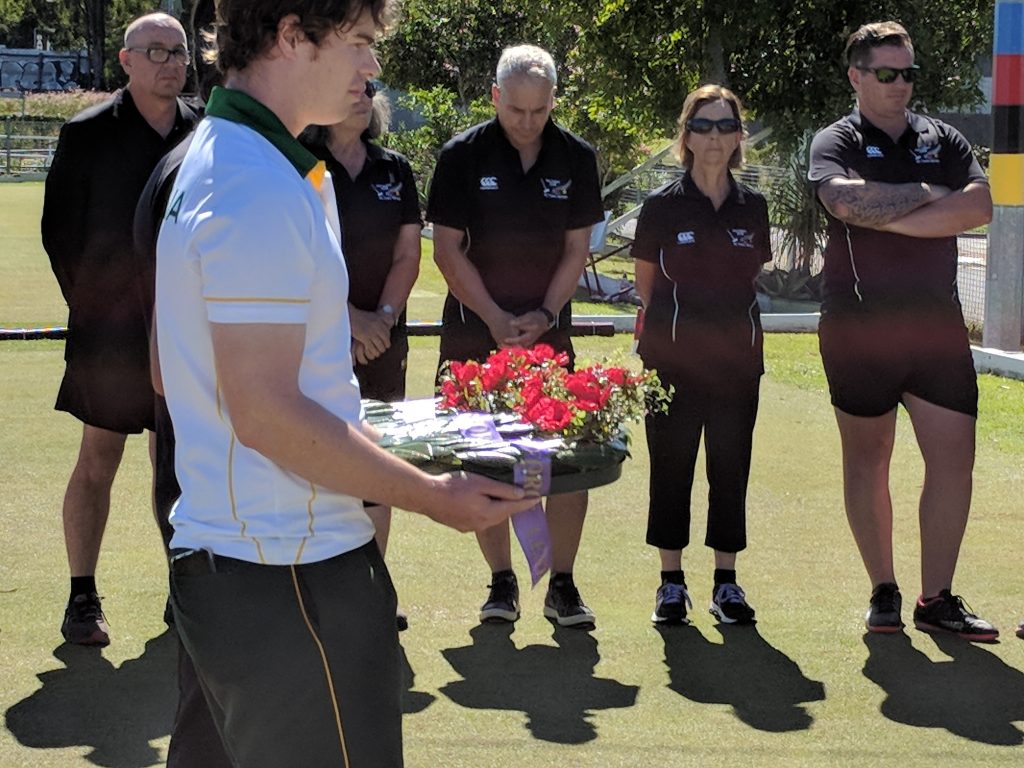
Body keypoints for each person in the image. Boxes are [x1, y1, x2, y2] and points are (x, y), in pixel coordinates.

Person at [155, 1, 534, 764]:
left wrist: (416, 444)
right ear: (293, 35)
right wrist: (433, 498)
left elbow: (178, 374)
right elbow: (264, 412)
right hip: (284, 576)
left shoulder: (249, 160)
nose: (372, 66)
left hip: (252, 565)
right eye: (359, 43)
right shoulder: (252, 181)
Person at [808, 21, 998, 640]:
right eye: (886, 73)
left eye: (908, 73)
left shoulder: (942, 137)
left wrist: (884, 213)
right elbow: (842, 203)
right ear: (857, 76)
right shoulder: (834, 140)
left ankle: (936, 598)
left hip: (937, 332)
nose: (900, 85)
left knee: (954, 463)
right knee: (869, 460)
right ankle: (883, 590)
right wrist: (924, 195)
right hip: (857, 330)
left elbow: (977, 207)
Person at [427, 44, 604, 629]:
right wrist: (495, 319)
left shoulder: (577, 156)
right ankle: (502, 581)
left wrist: (546, 315)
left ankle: (563, 584)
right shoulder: (460, 155)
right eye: (517, 110)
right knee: (485, 459)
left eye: (540, 111)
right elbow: (447, 249)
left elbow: (577, 248)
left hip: (549, 332)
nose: (528, 123)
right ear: (496, 96)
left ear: (553, 102)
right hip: (475, 333)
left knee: (564, 461)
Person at [40, 11, 197, 647]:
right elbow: (60, 235)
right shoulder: (85, 135)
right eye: (156, 51)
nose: (170, 63)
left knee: (180, 467)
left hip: (187, 335)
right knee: (98, 459)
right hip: (109, 336)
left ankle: (183, 593)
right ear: (126, 61)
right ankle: (82, 597)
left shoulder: (206, 133)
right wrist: (97, 309)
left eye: (179, 52)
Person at [633, 85, 769, 627]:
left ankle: (725, 584)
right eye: (704, 126)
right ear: (686, 136)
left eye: (725, 126)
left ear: (739, 137)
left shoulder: (752, 207)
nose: (715, 137)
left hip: (738, 360)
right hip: (672, 362)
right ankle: (671, 584)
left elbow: (752, 273)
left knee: (730, 467)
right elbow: (647, 286)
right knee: (671, 466)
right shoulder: (661, 207)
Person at [301, 83, 421, 630]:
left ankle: (374, 586)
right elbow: (300, 254)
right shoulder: (301, 161)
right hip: (317, 336)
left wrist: (384, 318)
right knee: (318, 457)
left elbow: (407, 252)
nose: (359, 96)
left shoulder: (396, 169)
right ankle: (318, 591)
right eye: (350, 86)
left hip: (383, 335)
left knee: (377, 459)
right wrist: (350, 318)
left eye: (368, 89)